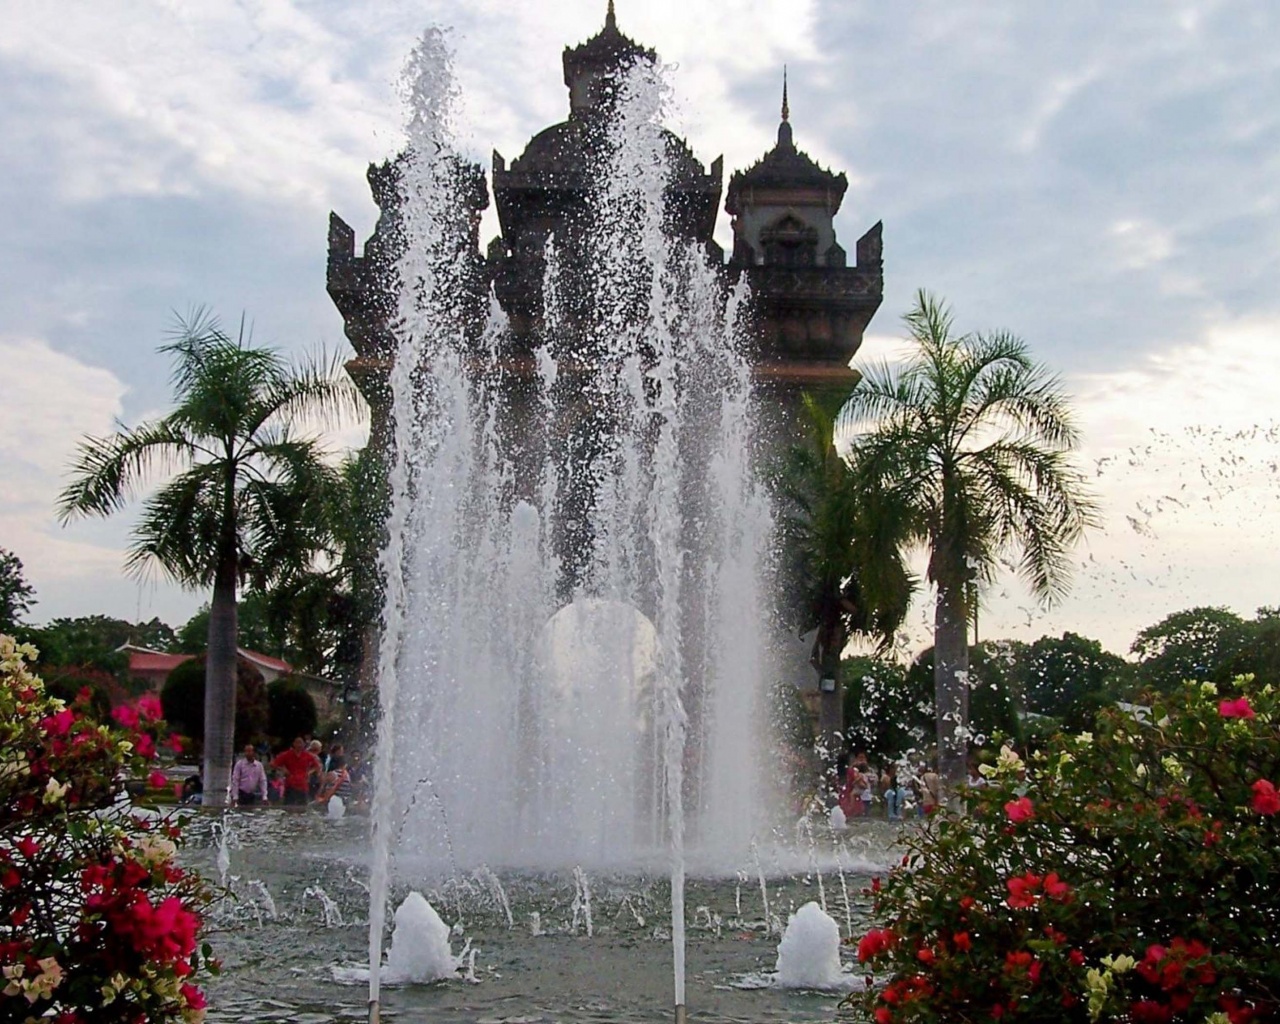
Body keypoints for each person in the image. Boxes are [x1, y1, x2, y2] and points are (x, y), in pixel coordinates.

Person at [271, 737, 323, 807]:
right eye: (297, 743)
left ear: (304, 744)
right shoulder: (287, 754)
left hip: (303, 785)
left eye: (301, 743)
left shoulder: (307, 755)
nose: (299, 745)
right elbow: (273, 764)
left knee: (303, 808)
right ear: (294, 744)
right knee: (288, 807)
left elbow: (317, 766)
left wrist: (309, 772)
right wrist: (283, 769)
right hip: (290, 785)